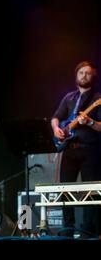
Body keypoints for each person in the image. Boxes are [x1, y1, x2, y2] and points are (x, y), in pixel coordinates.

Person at [51, 61, 101, 237]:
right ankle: (67, 228)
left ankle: (88, 230)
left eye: (88, 73)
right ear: (76, 76)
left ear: (93, 76)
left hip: (90, 150)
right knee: (64, 189)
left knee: (91, 192)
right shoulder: (69, 98)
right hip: (69, 149)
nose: (84, 76)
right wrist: (56, 129)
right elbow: (56, 118)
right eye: (81, 73)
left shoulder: (97, 98)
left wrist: (90, 122)